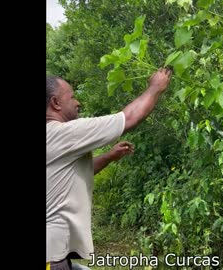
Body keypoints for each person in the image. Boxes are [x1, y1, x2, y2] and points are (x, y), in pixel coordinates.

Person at [46, 68, 172, 270]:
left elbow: (72, 173)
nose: (78, 103)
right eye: (72, 97)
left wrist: (108, 156)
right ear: (56, 103)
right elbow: (129, 118)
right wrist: (155, 87)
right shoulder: (63, 133)